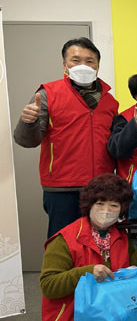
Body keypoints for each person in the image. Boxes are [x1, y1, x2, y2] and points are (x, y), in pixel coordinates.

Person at [40, 174, 137, 321]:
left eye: (113, 205)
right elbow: (48, 285)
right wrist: (86, 272)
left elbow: (132, 271)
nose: (106, 211)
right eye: (100, 203)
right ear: (89, 204)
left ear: (122, 211)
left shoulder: (119, 236)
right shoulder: (65, 239)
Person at [13, 37, 118, 238]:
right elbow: (26, 141)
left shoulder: (109, 101)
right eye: (75, 60)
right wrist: (28, 122)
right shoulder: (47, 94)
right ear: (64, 65)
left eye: (89, 61)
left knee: (99, 244)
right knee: (63, 244)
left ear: (97, 66)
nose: (83, 66)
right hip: (62, 188)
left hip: (101, 188)